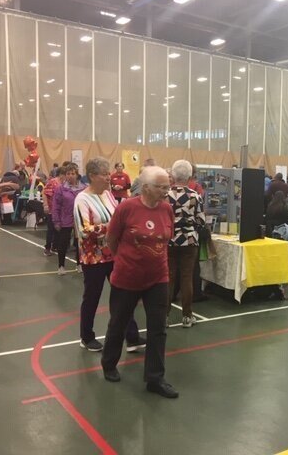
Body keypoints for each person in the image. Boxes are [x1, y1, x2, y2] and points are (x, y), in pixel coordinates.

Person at [101, 166, 178, 399]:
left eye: (167, 187)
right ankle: (109, 364)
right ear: (146, 188)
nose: (166, 191)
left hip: (158, 277)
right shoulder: (127, 207)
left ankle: (155, 378)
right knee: (118, 323)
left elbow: (167, 238)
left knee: (158, 328)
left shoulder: (167, 209)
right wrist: (124, 259)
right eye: (161, 187)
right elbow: (111, 239)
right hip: (127, 276)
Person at [74, 158, 145, 352]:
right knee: (92, 297)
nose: (109, 177)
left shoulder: (108, 194)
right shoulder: (81, 199)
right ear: (92, 176)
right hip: (93, 257)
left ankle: (131, 337)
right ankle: (86, 337)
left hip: (114, 254)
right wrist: (112, 227)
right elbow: (84, 230)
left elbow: (118, 216)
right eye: (105, 174)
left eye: (108, 173)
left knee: (124, 295)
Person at [166, 160, 206, 329]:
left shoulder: (165, 195)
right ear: (190, 176)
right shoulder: (195, 196)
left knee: (169, 277)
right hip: (189, 241)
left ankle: (164, 316)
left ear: (172, 175)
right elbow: (201, 221)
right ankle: (187, 316)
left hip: (169, 240)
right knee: (186, 278)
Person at [52, 164, 86, 275]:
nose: (70, 176)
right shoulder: (60, 189)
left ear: (77, 175)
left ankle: (79, 264)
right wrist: (56, 221)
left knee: (79, 243)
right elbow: (56, 206)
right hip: (65, 220)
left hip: (80, 221)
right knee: (63, 243)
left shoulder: (84, 188)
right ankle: (61, 266)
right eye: (68, 174)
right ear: (65, 175)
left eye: (73, 173)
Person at [42, 167, 66, 256]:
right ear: (61, 174)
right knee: (51, 229)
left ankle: (55, 246)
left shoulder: (66, 184)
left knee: (59, 229)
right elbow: (44, 193)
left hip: (62, 211)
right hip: (52, 209)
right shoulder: (53, 182)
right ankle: (47, 248)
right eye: (65, 174)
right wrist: (45, 205)